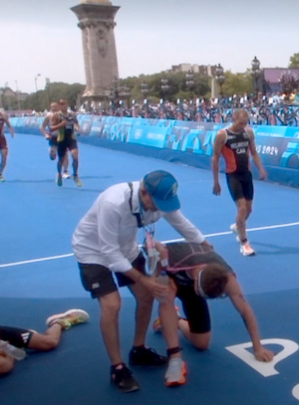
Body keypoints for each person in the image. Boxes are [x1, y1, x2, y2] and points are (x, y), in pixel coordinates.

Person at [72, 170, 214, 392]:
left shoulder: (159, 200)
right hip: (93, 251)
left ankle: (139, 349)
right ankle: (117, 367)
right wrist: (142, 279)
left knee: (147, 295)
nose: (160, 207)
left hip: (126, 249)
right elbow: (108, 251)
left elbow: (181, 223)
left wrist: (205, 246)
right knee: (112, 304)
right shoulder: (113, 202)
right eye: (157, 202)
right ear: (144, 191)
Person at [147, 239, 274, 363]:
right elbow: (149, 244)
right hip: (170, 275)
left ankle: (177, 320)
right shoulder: (174, 256)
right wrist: (157, 275)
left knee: (201, 344)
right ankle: (174, 356)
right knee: (166, 294)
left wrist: (258, 348)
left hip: (190, 286)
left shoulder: (227, 278)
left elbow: (245, 310)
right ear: (196, 281)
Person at [212, 109, 267, 256]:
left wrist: (261, 168)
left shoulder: (248, 133)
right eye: (240, 123)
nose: (243, 126)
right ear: (233, 119)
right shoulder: (223, 135)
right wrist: (216, 181)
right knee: (242, 208)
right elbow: (215, 157)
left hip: (246, 175)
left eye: (245, 123)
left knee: (248, 209)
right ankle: (244, 243)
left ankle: (238, 226)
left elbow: (254, 152)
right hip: (233, 175)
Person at [51, 100, 81, 187]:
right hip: (61, 139)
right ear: (59, 106)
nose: (63, 106)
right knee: (61, 160)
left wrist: (77, 129)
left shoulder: (72, 115)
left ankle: (75, 175)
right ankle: (59, 174)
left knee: (75, 156)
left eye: (65, 104)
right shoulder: (56, 115)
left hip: (71, 138)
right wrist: (61, 125)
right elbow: (52, 128)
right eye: (61, 104)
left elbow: (76, 124)